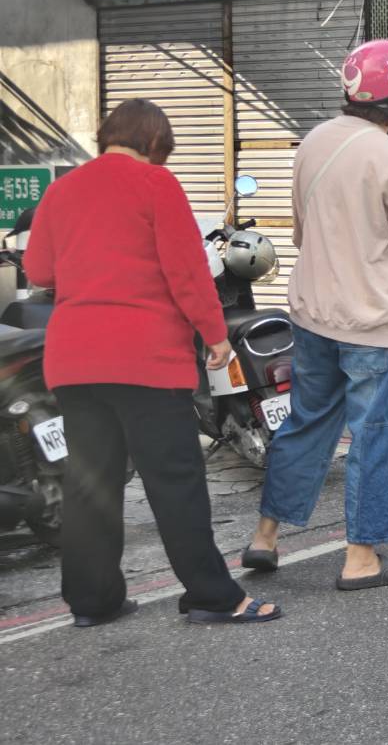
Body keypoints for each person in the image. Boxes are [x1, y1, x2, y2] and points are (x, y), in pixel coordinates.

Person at [24, 99, 281, 627]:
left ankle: (93, 602)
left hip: (73, 357)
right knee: (174, 479)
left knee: (90, 483)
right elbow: (188, 271)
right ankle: (211, 594)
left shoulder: (62, 189)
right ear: (156, 143)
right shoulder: (155, 184)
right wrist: (215, 336)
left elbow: (39, 268)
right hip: (143, 358)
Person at [249, 39, 388, 591]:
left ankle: (266, 536)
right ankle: (362, 556)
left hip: (314, 314)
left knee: (307, 422)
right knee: (380, 434)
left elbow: (300, 229)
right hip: (376, 323)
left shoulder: (314, 142)